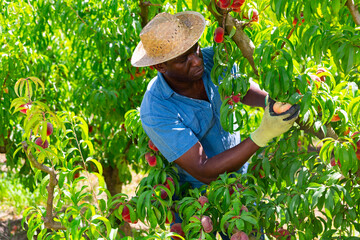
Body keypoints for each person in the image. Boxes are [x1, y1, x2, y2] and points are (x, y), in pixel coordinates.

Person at [131, 11, 299, 239]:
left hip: (238, 181)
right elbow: (203, 170)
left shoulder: (213, 60)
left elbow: (238, 89)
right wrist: (261, 135)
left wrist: (270, 101)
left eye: (195, 49)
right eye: (183, 59)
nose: (197, 60)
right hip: (195, 197)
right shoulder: (156, 109)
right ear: (160, 67)